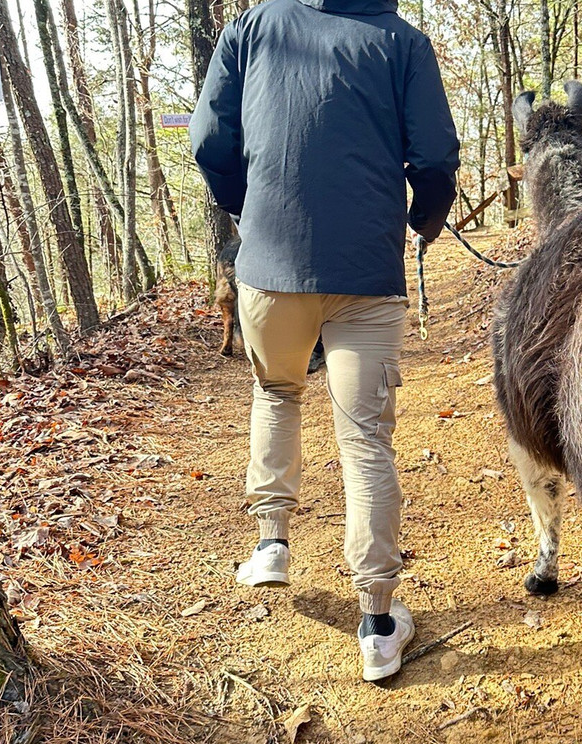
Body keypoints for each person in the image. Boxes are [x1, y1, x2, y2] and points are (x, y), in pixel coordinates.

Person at [190, 0, 459, 681]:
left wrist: (252, 205)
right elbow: (433, 155)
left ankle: (271, 543)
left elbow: (209, 139)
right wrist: (426, 221)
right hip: (367, 268)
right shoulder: (401, 41)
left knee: (277, 390)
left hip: (269, 267)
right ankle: (376, 623)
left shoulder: (252, 27)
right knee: (364, 435)